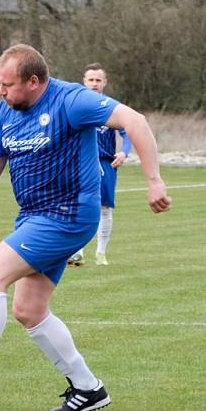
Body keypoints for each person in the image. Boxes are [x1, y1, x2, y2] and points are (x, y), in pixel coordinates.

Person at [0, 44, 170, 411]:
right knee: (29, 309)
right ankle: (89, 389)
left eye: (7, 85)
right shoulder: (6, 111)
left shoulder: (72, 101)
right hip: (34, 215)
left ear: (34, 81)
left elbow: (135, 121)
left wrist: (154, 181)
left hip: (69, 214)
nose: (1, 92)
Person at [67, 63, 131, 267]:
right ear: (84, 82)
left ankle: (101, 253)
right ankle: (77, 252)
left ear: (104, 83)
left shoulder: (111, 107)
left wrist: (124, 151)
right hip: (78, 163)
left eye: (98, 80)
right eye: (90, 80)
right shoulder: (73, 106)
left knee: (104, 208)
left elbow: (127, 130)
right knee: (76, 205)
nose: (94, 84)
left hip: (105, 163)